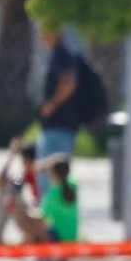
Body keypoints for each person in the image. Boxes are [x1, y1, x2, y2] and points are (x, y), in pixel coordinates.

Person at [36, 28, 82, 193]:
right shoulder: (59, 54)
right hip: (57, 127)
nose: (41, 36)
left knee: (51, 176)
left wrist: (52, 105)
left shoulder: (62, 54)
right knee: (49, 176)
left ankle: (50, 208)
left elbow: (68, 82)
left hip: (59, 127)